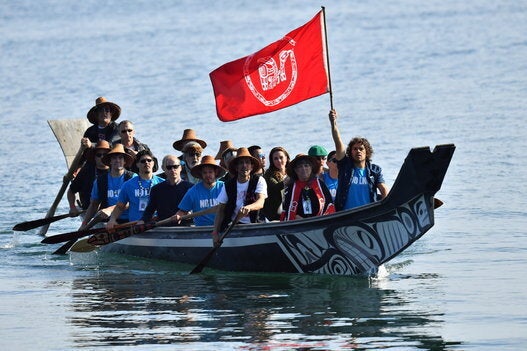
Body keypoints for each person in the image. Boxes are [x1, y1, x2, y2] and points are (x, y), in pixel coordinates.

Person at [329, 109, 389, 210]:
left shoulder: (375, 170)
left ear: (367, 152)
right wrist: (333, 123)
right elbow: (338, 142)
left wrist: (385, 209)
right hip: (345, 215)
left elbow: (383, 190)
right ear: (350, 152)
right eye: (355, 149)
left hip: (367, 214)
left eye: (361, 149)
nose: (358, 151)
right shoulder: (345, 166)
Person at [211, 147, 267, 245]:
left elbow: (260, 202)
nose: (244, 166)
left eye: (247, 162)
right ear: (236, 168)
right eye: (241, 163)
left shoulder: (259, 180)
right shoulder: (228, 185)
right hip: (234, 226)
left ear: (252, 167)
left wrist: (248, 207)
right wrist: (215, 233)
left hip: (256, 224)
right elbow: (220, 210)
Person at [79, 144, 136, 230]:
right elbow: (94, 204)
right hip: (107, 221)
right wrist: (84, 224)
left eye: (120, 158)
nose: (117, 160)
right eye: (114, 158)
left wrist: (109, 210)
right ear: (110, 161)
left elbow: (131, 201)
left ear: (124, 161)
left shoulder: (133, 178)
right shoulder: (100, 181)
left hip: (130, 220)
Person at [107, 150, 164, 228]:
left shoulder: (162, 183)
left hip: (157, 226)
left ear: (153, 163)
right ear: (137, 164)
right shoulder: (128, 185)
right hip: (136, 228)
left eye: (149, 160)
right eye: (143, 161)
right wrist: (112, 220)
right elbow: (120, 207)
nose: (146, 163)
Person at [175, 155, 226, 226]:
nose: (208, 175)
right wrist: (178, 216)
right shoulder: (193, 191)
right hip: (201, 230)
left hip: (222, 228)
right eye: (205, 172)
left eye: (210, 172)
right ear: (201, 174)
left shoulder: (224, 188)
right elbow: (182, 211)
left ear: (216, 172)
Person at [140, 155, 193, 224]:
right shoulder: (156, 189)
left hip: (186, 228)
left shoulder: (190, 188)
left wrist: (189, 213)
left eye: (175, 167)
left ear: (180, 168)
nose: (172, 170)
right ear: (163, 168)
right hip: (164, 229)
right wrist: (142, 220)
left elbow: (196, 209)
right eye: (169, 167)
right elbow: (149, 211)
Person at [281, 154, 335, 221]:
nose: (304, 169)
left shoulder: (320, 185)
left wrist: (318, 219)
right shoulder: (290, 189)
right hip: (298, 225)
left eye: (306, 166)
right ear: (295, 170)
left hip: (320, 223)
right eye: (300, 167)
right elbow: (286, 211)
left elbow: (329, 206)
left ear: (311, 168)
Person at [67, 140, 110, 213]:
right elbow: (71, 191)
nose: (102, 157)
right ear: (95, 157)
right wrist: (72, 207)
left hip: (111, 213)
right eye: (99, 155)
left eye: (105, 154)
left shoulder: (116, 170)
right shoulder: (86, 171)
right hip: (88, 212)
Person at [262, 146, 290, 221]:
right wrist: (289, 179)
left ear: (286, 158)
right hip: (275, 215)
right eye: (275, 158)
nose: (279, 160)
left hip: (291, 210)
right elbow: (275, 188)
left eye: (281, 157)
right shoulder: (268, 175)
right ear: (272, 161)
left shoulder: (292, 172)